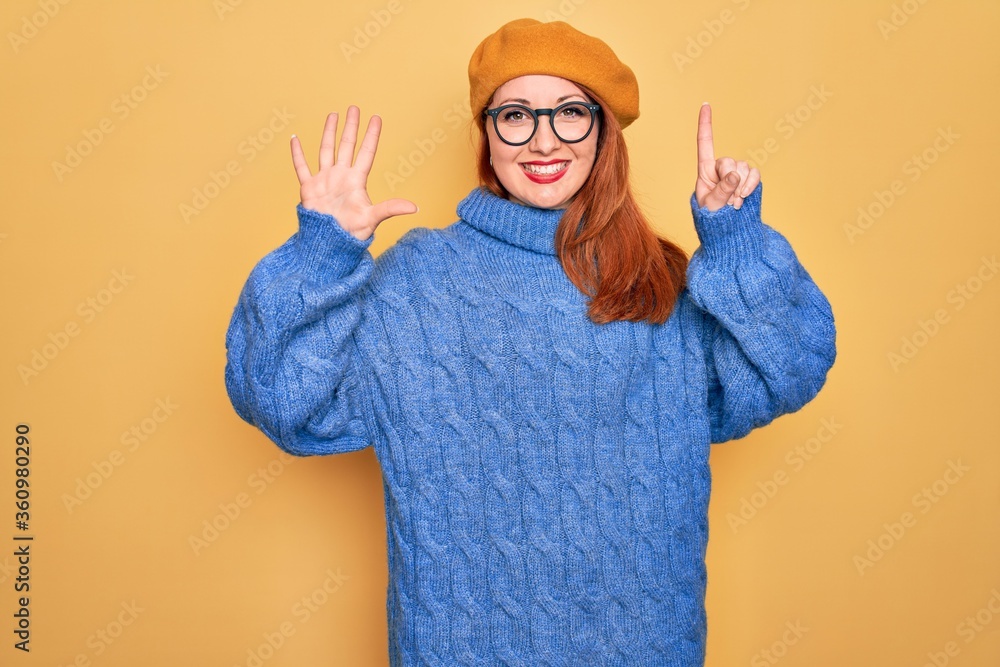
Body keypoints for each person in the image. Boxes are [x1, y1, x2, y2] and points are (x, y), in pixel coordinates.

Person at [224, 17, 836, 667]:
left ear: (603, 131)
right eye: (515, 114)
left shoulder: (655, 279)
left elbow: (789, 371)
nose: (543, 138)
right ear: (487, 133)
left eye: (571, 112)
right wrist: (321, 252)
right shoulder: (417, 282)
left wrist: (739, 245)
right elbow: (281, 400)